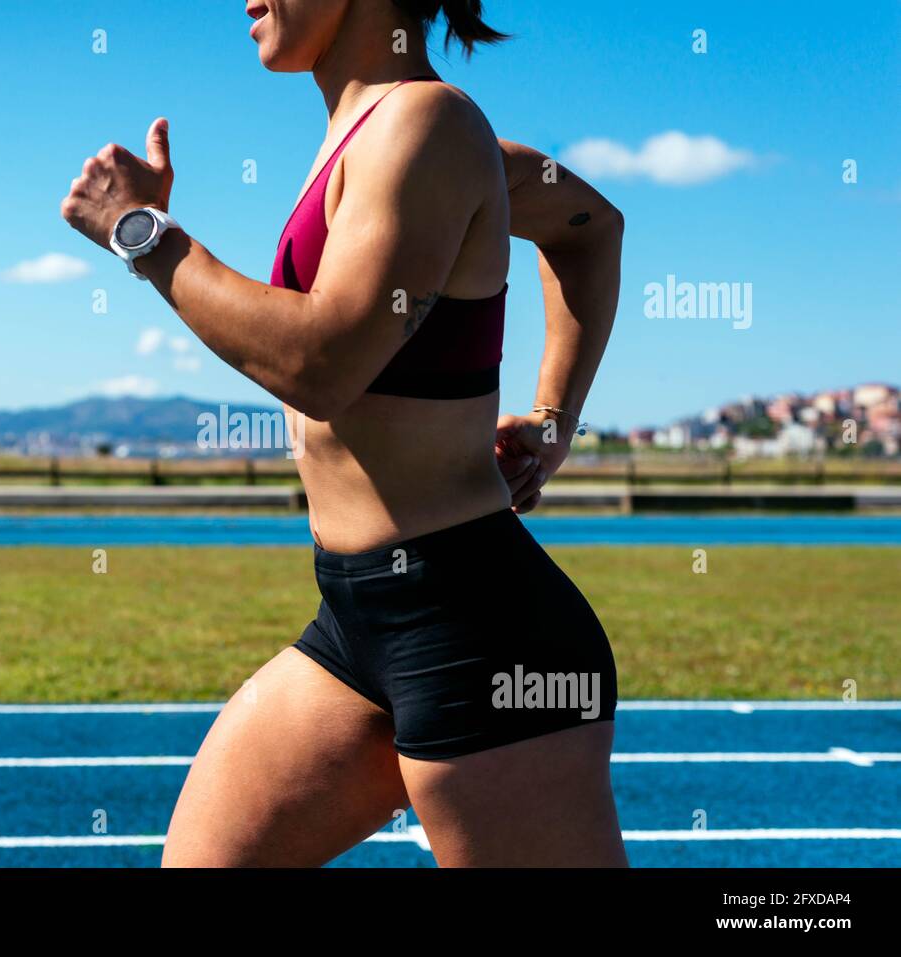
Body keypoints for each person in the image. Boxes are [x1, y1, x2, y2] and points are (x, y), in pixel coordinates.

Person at [61, 0, 627, 867]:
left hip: (479, 629)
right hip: (357, 623)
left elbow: (325, 362)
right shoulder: (371, 139)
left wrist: (145, 236)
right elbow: (590, 227)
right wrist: (549, 421)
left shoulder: (430, 125)